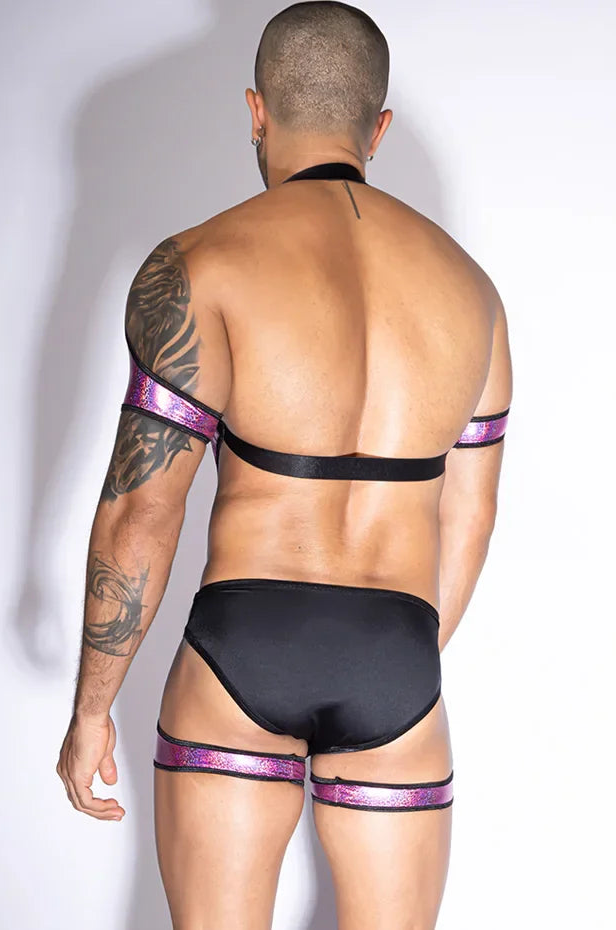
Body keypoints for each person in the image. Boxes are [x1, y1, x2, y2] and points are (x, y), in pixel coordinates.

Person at [56, 2, 512, 927]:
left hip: (244, 644)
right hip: (396, 656)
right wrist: (390, 661)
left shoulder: (200, 264)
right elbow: (469, 516)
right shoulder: (472, 291)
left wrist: (91, 709)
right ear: (378, 128)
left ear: (257, 111)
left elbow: (142, 511)